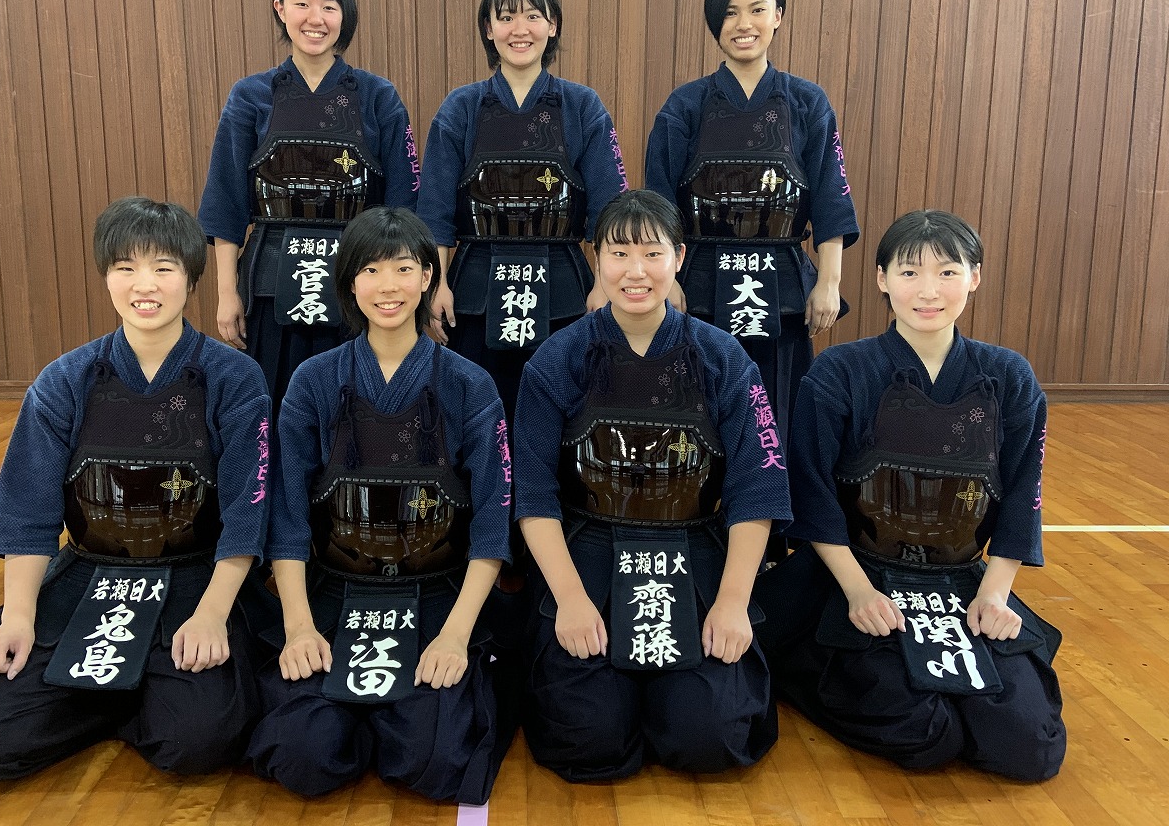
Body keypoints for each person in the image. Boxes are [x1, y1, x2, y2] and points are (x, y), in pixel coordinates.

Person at [0, 197, 271, 782]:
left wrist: (213, 615)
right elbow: (27, 512)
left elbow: (247, 510)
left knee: (201, 741)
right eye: (125, 268)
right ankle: (124, 693)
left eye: (163, 268)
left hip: (193, 579)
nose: (144, 285)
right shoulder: (64, 381)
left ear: (190, 278)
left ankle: (126, 692)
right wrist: (16, 618)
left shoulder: (234, 377)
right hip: (90, 576)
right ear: (106, 276)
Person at [756, 209, 1066, 781]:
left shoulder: (1009, 377)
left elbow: (1023, 494)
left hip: (959, 582)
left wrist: (995, 596)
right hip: (857, 575)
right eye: (910, 272)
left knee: (1029, 747)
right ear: (880, 279)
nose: (928, 291)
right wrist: (858, 592)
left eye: (948, 272)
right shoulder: (840, 371)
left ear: (974, 277)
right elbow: (812, 488)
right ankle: (802, 660)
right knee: (923, 731)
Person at [513, 190, 792, 782]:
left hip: (693, 549)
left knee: (708, 736)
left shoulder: (723, 357)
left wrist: (734, 602)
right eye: (618, 253)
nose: (635, 272)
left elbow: (757, 488)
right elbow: (533, 494)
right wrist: (568, 598)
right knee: (588, 738)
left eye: (652, 253)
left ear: (680, 257)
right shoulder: (557, 359)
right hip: (588, 551)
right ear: (596, 260)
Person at [246, 207, 514, 804]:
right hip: (338, 592)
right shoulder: (313, 382)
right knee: (303, 755)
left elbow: (493, 525)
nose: (387, 285)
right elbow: (288, 520)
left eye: (403, 267)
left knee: (436, 761)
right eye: (370, 269)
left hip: (437, 592)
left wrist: (454, 635)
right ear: (347, 283)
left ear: (427, 278)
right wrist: (298, 626)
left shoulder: (470, 385)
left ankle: (389, 720)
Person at [644, 0, 859, 446]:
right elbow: (657, 205)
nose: (744, 24)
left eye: (757, 10)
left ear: (778, 15)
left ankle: (774, 520)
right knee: (696, 406)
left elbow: (830, 198)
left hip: (782, 282)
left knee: (778, 411)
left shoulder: (807, 102)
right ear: (714, 23)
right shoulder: (685, 105)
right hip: (699, 280)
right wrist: (667, 280)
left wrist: (828, 283)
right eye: (730, 13)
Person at [198, 0, 419, 413]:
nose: (315, 19)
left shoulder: (378, 96)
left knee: (354, 408)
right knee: (275, 407)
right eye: (303, 3)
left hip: (359, 279)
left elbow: (403, 207)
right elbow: (226, 203)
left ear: (345, 17)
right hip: (269, 279)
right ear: (280, 9)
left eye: (329, 6)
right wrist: (226, 292)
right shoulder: (251, 95)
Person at [418, 0, 629, 424]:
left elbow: (610, 208)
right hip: (475, 287)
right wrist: (436, 282)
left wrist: (603, 284)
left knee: (562, 411)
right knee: (475, 412)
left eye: (532, 16)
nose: (520, 30)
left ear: (552, 27)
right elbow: (434, 211)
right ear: (488, 29)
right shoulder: (461, 107)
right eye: (506, 17)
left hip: (565, 287)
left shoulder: (582, 105)